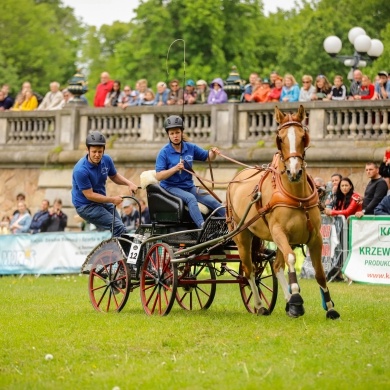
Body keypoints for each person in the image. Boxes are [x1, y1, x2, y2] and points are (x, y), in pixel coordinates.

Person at [155, 115, 225, 228]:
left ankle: (232, 223)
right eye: (172, 133)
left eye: (177, 132)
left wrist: (213, 152)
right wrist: (175, 169)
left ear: (182, 132)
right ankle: (203, 227)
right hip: (170, 187)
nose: (175, 136)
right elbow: (159, 176)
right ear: (168, 135)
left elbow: (207, 157)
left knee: (213, 202)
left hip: (188, 186)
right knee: (191, 199)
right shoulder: (164, 152)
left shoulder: (190, 147)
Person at [71, 131, 138, 236]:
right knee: (117, 226)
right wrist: (112, 199)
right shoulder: (80, 170)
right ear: (87, 150)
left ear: (103, 150)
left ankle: (119, 250)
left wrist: (129, 183)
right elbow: (90, 195)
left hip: (101, 201)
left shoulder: (106, 160)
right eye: (94, 152)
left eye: (100, 151)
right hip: (85, 206)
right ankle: (116, 252)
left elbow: (114, 176)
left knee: (121, 227)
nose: (97, 155)